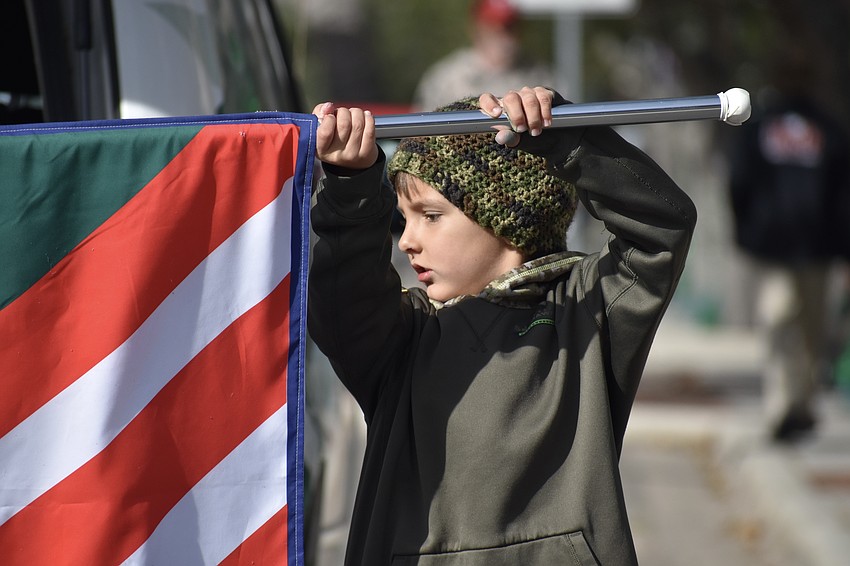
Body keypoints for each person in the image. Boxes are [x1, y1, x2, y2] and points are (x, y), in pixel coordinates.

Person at [308, 86, 696, 565]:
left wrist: (566, 137)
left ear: (507, 224)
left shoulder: (588, 310)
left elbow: (661, 229)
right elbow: (344, 300)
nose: (407, 241)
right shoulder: (401, 338)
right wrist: (350, 188)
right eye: (402, 219)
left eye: (430, 216)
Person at [728, 70, 850, 442]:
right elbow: (740, 181)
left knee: (812, 329)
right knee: (779, 319)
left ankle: (803, 405)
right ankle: (782, 406)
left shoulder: (828, 130)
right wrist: (746, 232)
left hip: (816, 249)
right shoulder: (762, 128)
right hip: (777, 250)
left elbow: (843, 192)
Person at [411, 0, 553, 111]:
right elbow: (419, 130)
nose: (503, 36)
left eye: (509, 27)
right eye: (493, 26)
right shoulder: (446, 78)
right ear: (477, 28)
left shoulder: (541, 77)